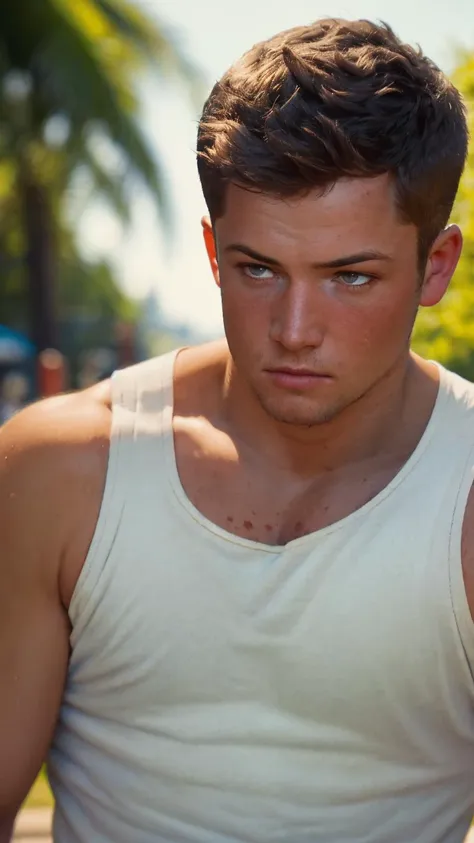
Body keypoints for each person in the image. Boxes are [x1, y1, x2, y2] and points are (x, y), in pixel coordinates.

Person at [0, 17, 472, 843]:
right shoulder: (62, 472)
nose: (294, 328)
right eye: (259, 269)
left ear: (437, 267)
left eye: (349, 277)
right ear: (214, 254)